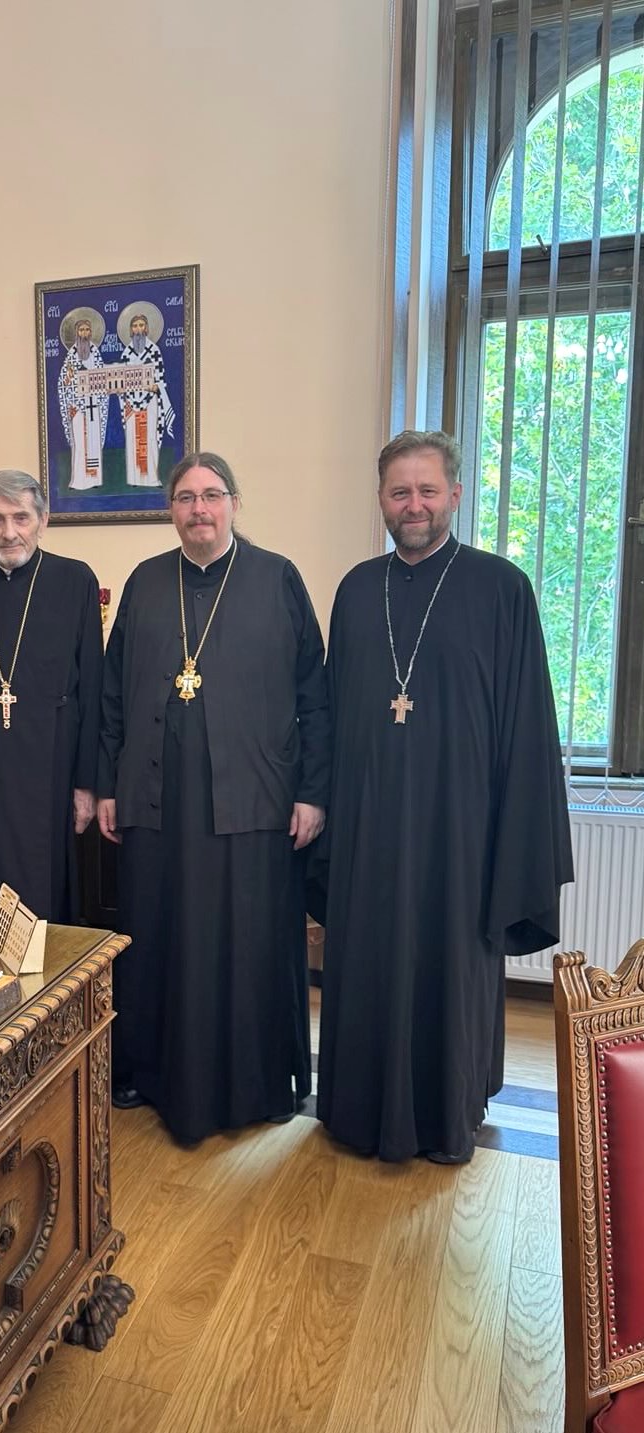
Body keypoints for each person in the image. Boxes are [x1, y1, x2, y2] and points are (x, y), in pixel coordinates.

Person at [312, 430, 573, 1165]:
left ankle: (445, 1114)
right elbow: (330, 714)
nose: (414, 504)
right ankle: (358, 1111)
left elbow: (527, 724)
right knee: (366, 961)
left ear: (455, 494)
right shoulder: (356, 590)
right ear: (381, 499)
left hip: (460, 830)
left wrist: (512, 838)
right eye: (400, 492)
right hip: (368, 826)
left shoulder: (501, 587)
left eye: (428, 490)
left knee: (449, 967)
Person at [98, 452, 330, 1145]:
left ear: (234, 503)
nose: (199, 509)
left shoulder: (277, 578)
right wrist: (108, 785)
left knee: (248, 945)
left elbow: (316, 698)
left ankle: (259, 1082)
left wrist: (313, 793)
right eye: (185, 497)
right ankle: (150, 1073)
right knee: (157, 940)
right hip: (156, 803)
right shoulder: (145, 582)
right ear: (170, 509)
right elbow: (111, 696)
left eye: (211, 495)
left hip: (253, 803)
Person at [0, 469, 103, 921]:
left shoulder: (75, 580)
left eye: (21, 518)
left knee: (43, 895)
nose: (9, 533)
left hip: (51, 772)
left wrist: (87, 784)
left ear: (43, 520)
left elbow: (92, 686)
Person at [117, 306, 175, 488]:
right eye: (135, 326)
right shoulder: (126, 353)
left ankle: (151, 478)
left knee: (149, 438)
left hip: (150, 403)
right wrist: (120, 390)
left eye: (141, 325)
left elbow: (161, 380)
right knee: (133, 439)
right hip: (131, 403)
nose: (138, 329)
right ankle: (134, 479)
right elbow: (120, 379)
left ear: (147, 328)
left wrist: (154, 386)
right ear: (131, 330)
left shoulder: (154, 350)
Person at [58, 311, 109, 490]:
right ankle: (79, 481)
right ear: (76, 333)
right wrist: (69, 401)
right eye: (81, 330)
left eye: (87, 330)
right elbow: (63, 383)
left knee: (93, 443)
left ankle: (94, 480)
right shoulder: (71, 355)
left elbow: (103, 379)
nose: (84, 333)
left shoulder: (95, 354)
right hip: (77, 408)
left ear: (91, 333)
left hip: (94, 406)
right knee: (79, 443)